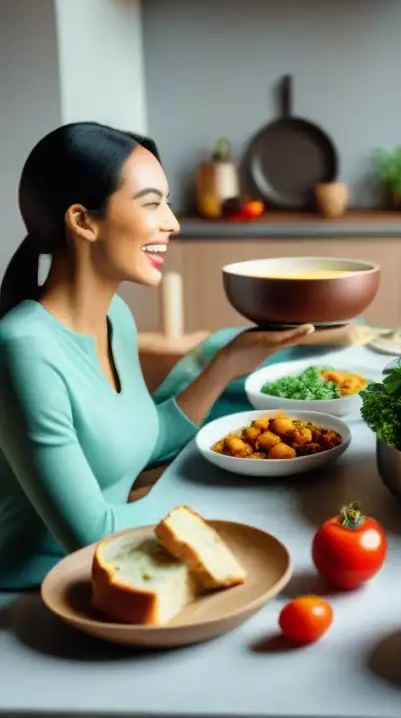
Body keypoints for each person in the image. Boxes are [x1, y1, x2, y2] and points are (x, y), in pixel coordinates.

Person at [0, 122, 312, 590]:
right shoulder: (23, 347)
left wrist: (228, 362)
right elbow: (94, 538)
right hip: (43, 596)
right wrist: (234, 503)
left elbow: (142, 440)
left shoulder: (117, 317)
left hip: (126, 572)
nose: (173, 222)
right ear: (83, 221)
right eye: (152, 203)